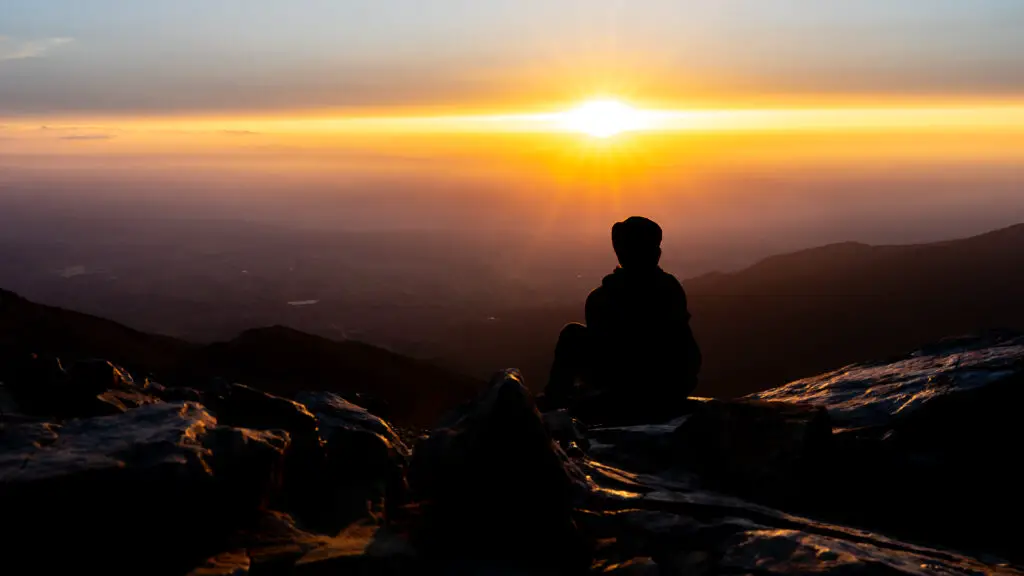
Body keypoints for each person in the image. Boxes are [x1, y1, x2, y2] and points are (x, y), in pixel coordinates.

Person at [540, 217, 701, 422]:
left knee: (571, 334)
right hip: (674, 383)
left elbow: (612, 350)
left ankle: (555, 401)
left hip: (634, 386)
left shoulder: (604, 296)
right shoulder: (670, 287)